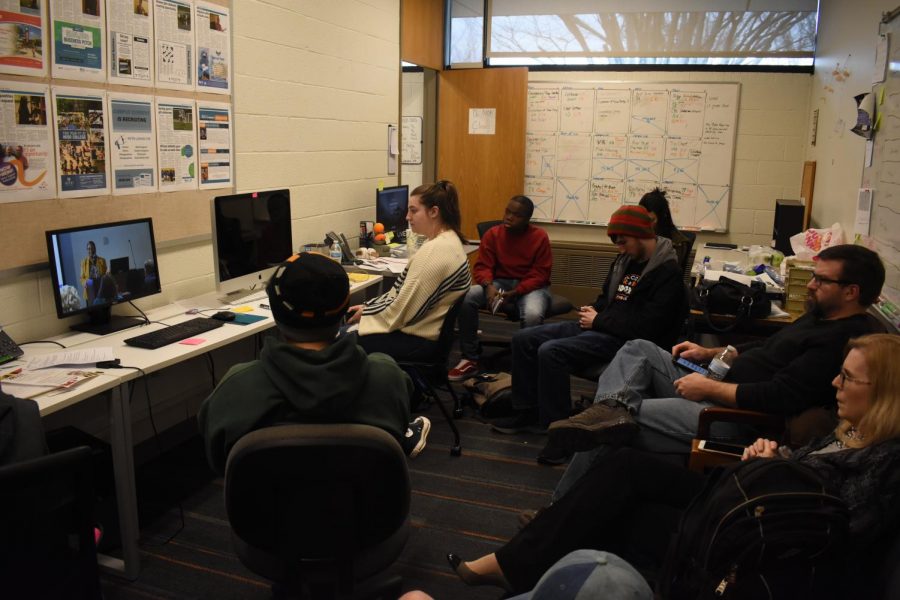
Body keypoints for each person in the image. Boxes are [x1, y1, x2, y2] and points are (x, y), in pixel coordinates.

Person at [447, 334, 900, 597]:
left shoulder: (884, 460)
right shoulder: (850, 430)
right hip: (746, 494)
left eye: (849, 378)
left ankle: (522, 560)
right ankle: (527, 560)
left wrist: (772, 473)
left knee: (613, 497)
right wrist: (774, 459)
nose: (835, 382)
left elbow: (834, 524)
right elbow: (804, 476)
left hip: (748, 532)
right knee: (624, 464)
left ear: (883, 393)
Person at [548, 243, 885, 499]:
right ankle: (611, 407)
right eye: (812, 276)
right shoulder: (821, 314)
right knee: (638, 348)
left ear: (851, 291)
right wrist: (714, 351)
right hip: (718, 382)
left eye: (821, 279)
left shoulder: (842, 340)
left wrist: (710, 389)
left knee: (612, 426)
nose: (810, 285)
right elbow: (768, 350)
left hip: (733, 415)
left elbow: (780, 396)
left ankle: (555, 515)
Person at [199, 252, 428, 474]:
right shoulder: (387, 377)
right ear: (344, 310)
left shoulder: (236, 389)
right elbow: (397, 432)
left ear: (276, 313)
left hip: (268, 512)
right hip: (362, 509)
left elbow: (219, 462)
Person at [491, 205, 687, 463]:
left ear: (641, 236)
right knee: (524, 339)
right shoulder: (625, 261)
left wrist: (599, 320)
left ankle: (560, 433)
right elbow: (607, 300)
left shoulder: (667, 273)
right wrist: (594, 311)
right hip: (604, 326)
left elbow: (645, 328)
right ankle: (528, 411)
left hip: (626, 341)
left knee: (551, 352)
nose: (619, 247)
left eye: (623, 241)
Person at [346, 180, 471, 362]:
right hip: (429, 335)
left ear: (434, 212)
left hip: (418, 341)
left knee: (341, 339)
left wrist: (367, 314)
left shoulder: (435, 251)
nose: (407, 217)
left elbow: (402, 309)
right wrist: (368, 307)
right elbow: (402, 297)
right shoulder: (448, 241)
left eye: (413, 210)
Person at [448, 195, 552, 381]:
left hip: (530, 287)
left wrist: (516, 292)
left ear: (527, 219)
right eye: (508, 212)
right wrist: (487, 286)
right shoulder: (493, 234)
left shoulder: (539, 237)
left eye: (517, 215)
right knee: (467, 296)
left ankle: (526, 367)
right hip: (499, 282)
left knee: (533, 314)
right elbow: (483, 266)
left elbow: (540, 274)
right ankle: (469, 358)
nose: (509, 217)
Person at [638, 187, 691, 269]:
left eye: (651, 220)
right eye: (643, 219)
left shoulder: (677, 243)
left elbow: (669, 273)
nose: (647, 224)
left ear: (662, 217)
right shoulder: (638, 235)